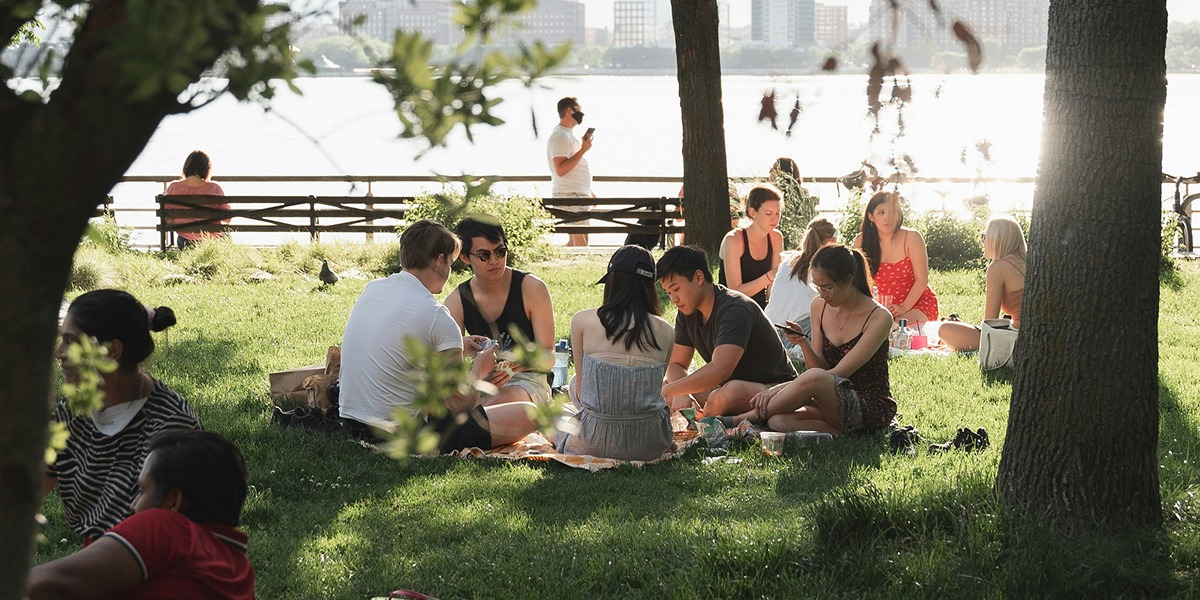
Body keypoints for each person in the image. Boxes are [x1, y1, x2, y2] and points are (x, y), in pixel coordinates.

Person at [339, 220, 538, 453]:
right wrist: (480, 371)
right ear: (439, 260)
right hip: (403, 435)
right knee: (528, 413)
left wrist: (457, 346)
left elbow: (399, 348)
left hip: (352, 422)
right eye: (451, 263)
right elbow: (458, 405)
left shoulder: (373, 290)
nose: (449, 272)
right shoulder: (437, 316)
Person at [45, 289, 201, 543]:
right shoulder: (74, 411)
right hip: (101, 558)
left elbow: (158, 537)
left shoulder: (170, 425)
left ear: (111, 350)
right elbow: (23, 488)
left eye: (71, 342)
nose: (58, 353)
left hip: (151, 560)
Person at [28, 430, 254, 600]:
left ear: (173, 501)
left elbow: (57, 582)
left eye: (142, 490)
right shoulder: (239, 571)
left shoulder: (168, 528)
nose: (133, 505)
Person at [732, 244, 896, 435]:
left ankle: (739, 419)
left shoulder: (879, 317)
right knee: (779, 422)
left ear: (849, 280)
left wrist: (774, 391)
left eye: (828, 287)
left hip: (865, 402)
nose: (822, 294)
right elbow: (818, 368)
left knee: (815, 380)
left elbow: (835, 375)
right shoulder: (819, 305)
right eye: (817, 287)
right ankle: (839, 433)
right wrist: (803, 341)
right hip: (827, 398)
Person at [556, 245, 675, 461]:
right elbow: (653, 389)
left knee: (557, 409)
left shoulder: (582, 321)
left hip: (593, 442)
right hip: (649, 443)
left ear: (612, 283)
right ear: (650, 287)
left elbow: (583, 393)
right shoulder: (666, 331)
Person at [658, 245, 797, 416]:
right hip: (725, 386)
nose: (674, 299)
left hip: (772, 388)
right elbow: (676, 365)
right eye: (668, 293)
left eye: (676, 289)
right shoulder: (687, 312)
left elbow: (721, 370)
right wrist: (678, 392)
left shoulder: (735, 308)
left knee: (729, 394)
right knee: (669, 386)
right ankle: (705, 415)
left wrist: (672, 391)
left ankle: (703, 420)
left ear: (698, 277)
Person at [444, 217, 555, 406]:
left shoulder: (531, 288)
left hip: (528, 381)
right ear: (464, 257)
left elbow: (549, 356)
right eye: (484, 256)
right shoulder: (457, 300)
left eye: (500, 252)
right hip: (483, 381)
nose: (495, 261)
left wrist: (524, 362)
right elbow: (449, 365)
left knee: (488, 407)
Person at [939, 214, 1027, 351]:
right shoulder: (1027, 261)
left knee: (945, 329)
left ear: (997, 239)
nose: (982, 241)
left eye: (984, 236)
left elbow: (990, 322)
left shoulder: (998, 268)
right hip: (1031, 333)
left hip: (1016, 338)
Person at [853, 190, 939, 322]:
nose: (888, 217)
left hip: (915, 304)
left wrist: (903, 307)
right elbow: (857, 281)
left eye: (892, 212)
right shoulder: (861, 241)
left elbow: (921, 279)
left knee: (896, 328)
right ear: (871, 216)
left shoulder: (911, 237)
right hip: (878, 308)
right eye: (881, 212)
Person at [764, 217, 838, 340]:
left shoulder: (788, 261)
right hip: (794, 332)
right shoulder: (824, 268)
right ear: (833, 240)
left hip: (768, 330)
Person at [718, 185, 785, 309]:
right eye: (769, 213)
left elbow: (772, 291)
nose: (775, 218)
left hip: (761, 309)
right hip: (731, 308)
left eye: (778, 213)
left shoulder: (776, 237)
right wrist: (770, 276)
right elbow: (735, 292)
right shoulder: (733, 240)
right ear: (752, 212)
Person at [546, 96, 594, 247]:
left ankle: (559, 261)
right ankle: (581, 266)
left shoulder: (566, 134)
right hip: (571, 196)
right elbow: (560, 169)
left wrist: (588, 190)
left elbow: (572, 166)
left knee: (575, 241)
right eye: (579, 111)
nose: (582, 115)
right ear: (569, 111)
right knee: (581, 242)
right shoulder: (560, 136)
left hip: (576, 194)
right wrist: (583, 150)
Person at [163, 150, 231, 250]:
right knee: (227, 235)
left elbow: (168, 220)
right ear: (206, 169)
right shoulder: (214, 188)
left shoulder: (174, 187)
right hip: (212, 240)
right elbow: (227, 219)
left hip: (186, 241)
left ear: (186, 167)